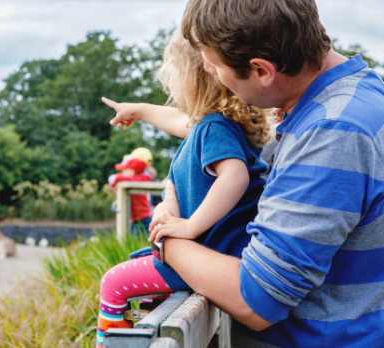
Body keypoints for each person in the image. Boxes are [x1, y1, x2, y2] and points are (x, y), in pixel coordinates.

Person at [136, 0, 384, 346]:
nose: (205, 68)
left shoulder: (333, 132)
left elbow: (257, 298)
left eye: (214, 62)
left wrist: (168, 238)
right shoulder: (358, 91)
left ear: (262, 70)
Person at [95, 29, 273, 347]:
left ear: (194, 79)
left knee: (114, 283)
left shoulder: (214, 127)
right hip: (215, 251)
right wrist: (138, 110)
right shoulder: (215, 124)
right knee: (148, 302)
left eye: (173, 76)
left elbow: (235, 177)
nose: (171, 87)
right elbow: (178, 122)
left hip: (212, 252)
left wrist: (188, 226)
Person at [108, 154, 153, 235]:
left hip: (143, 219)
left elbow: (118, 178)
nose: (122, 172)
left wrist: (115, 180)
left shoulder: (141, 178)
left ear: (132, 171)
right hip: (134, 219)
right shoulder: (134, 179)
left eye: (124, 170)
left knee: (145, 241)